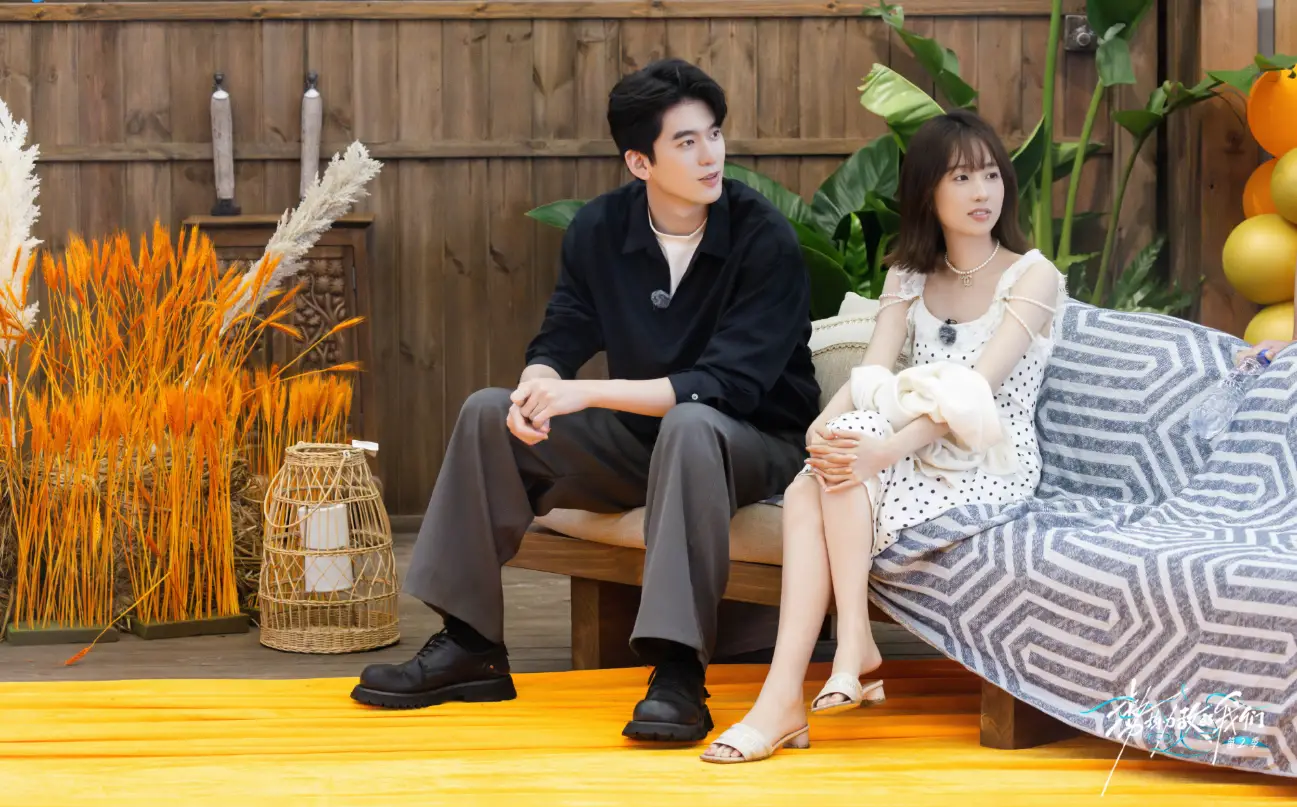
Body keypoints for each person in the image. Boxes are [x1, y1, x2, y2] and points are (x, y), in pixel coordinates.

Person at [350, 59, 822, 745]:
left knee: (693, 423)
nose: (710, 155)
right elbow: (565, 328)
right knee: (488, 413)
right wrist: (537, 385)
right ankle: (470, 645)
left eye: (714, 134)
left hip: (753, 444)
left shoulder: (763, 237)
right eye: (686, 141)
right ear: (639, 161)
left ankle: (677, 671)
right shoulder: (601, 229)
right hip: (647, 441)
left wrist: (584, 392)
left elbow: (726, 386)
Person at [700, 109, 1070, 764]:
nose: (982, 192)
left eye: (990, 175)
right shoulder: (908, 274)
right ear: (927, 190)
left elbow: (974, 390)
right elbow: (875, 368)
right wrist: (824, 422)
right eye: (961, 177)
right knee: (821, 470)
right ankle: (821, 668)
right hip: (912, 447)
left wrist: (883, 449)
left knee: (831, 474)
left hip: (988, 454)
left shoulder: (1031, 275)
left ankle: (816, 674)